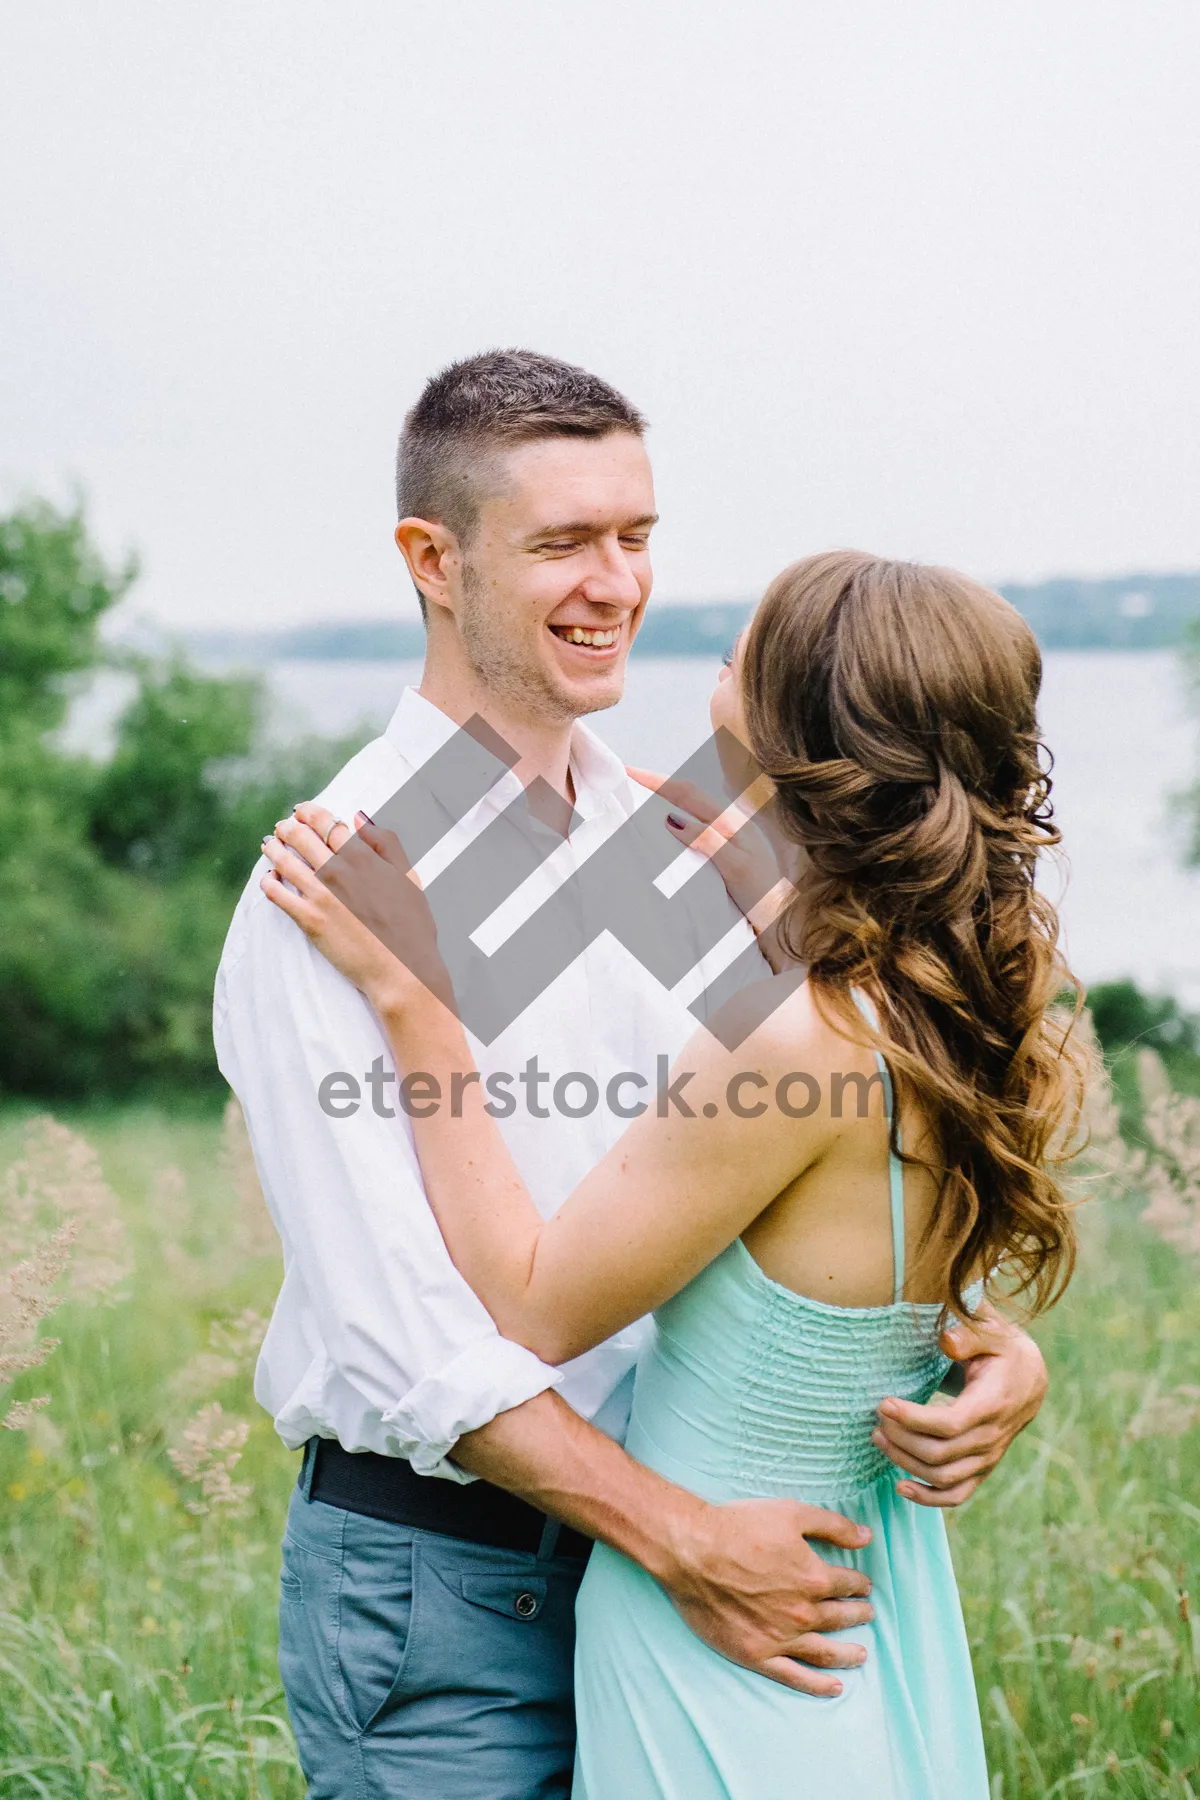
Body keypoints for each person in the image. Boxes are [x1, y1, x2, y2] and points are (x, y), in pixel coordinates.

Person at [216, 351, 1052, 1799]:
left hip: (691, 1589)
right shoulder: (342, 883)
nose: (618, 584)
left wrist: (973, 1340)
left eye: (638, 535)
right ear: (432, 559)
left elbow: (804, 1170)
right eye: (562, 544)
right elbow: (412, 1337)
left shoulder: (673, 843)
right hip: (454, 1601)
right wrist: (676, 1536)